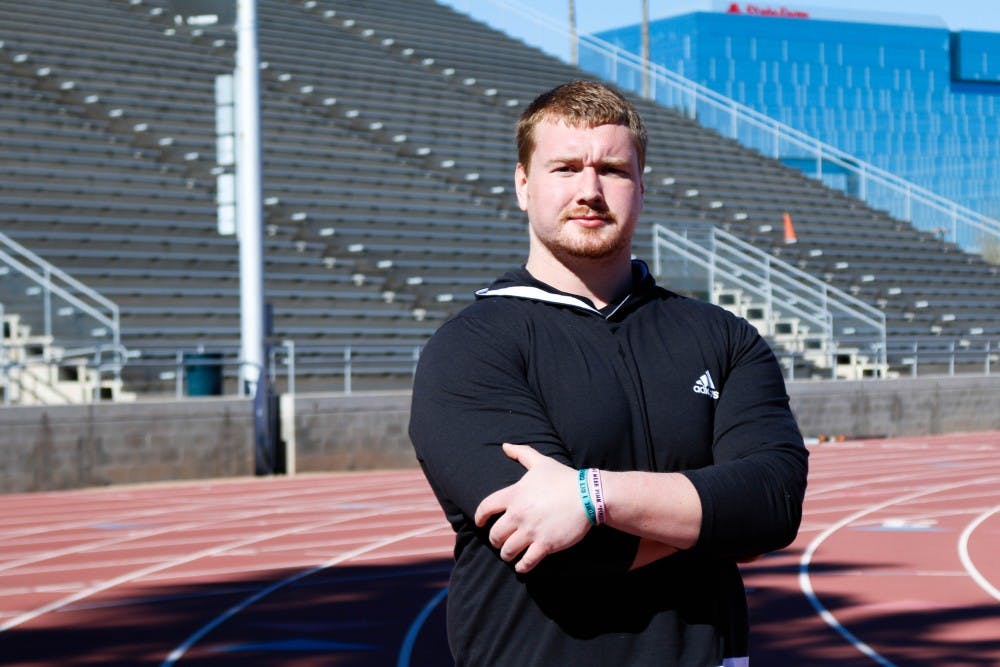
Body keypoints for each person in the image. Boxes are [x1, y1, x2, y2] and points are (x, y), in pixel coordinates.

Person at [408, 80, 808, 667]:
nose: (590, 191)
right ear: (523, 184)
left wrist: (592, 495)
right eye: (566, 168)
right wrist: (713, 517)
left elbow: (773, 504)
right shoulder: (469, 348)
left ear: (641, 186)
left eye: (613, 170)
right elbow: (563, 550)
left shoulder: (724, 337)